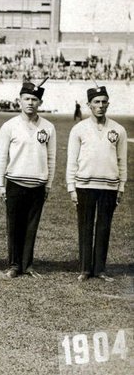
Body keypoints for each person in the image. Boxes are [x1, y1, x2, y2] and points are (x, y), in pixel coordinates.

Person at [0, 82, 56, 279]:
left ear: (40, 102)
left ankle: (27, 265)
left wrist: (48, 184)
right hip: (14, 183)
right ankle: (14, 265)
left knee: (31, 227)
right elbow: (1, 157)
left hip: (38, 184)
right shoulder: (9, 126)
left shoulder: (48, 127)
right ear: (19, 101)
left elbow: (51, 158)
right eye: (27, 99)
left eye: (34, 99)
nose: (30, 103)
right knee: (14, 226)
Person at [67, 86, 127, 282]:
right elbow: (72, 160)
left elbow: (122, 161)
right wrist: (71, 187)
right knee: (85, 226)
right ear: (89, 105)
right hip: (84, 185)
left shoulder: (118, 129)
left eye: (103, 102)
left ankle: (100, 269)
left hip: (109, 186)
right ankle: (85, 269)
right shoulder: (79, 128)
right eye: (96, 102)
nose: (100, 106)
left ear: (108, 103)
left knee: (103, 228)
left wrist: (121, 186)